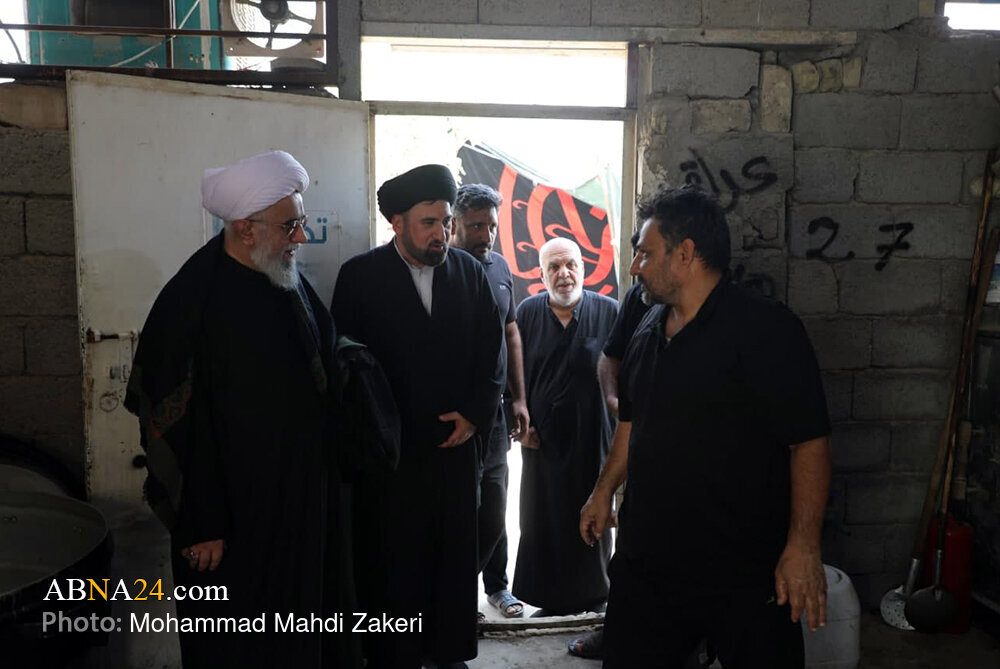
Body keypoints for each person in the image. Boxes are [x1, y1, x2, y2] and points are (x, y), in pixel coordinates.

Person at [579, 186, 832, 669]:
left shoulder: (765, 330)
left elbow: (809, 442)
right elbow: (632, 421)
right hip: (649, 560)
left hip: (742, 567)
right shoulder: (647, 327)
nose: (635, 268)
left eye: (645, 253)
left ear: (686, 254)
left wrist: (803, 547)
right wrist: (603, 489)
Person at [124, 150, 358, 668]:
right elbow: (168, 423)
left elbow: (325, 359)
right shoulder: (191, 302)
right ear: (244, 228)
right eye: (290, 226)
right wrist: (200, 524)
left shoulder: (284, 278)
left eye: (301, 222)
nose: (302, 237)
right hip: (229, 515)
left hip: (298, 499)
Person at [331, 164, 503, 669]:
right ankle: (394, 654)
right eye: (428, 223)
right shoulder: (360, 277)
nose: (440, 234)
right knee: (392, 560)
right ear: (398, 223)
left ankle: (448, 652)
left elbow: (491, 355)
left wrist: (474, 416)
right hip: (389, 454)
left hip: (454, 449)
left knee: (452, 558)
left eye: (445, 222)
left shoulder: (469, 273)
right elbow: (346, 365)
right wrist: (372, 434)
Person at [512, 237, 618, 617]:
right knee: (543, 516)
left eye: (571, 264)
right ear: (541, 275)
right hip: (542, 440)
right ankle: (550, 600)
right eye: (554, 267)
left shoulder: (609, 311)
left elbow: (625, 371)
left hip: (594, 437)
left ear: (583, 268)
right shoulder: (527, 313)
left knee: (593, 513)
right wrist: (519, 420)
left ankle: (594, 596)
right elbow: (513, 373)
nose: (564, 274)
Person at [451, 183, 530, 620]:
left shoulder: (499, 267)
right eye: (476, 225)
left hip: (496, 414)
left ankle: (496, 586)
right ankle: (457, 597)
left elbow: (511, 331)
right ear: (456, 225)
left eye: (492, 226)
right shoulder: (444, 268)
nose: (486, 235)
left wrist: (520, 398)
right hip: (457, 415)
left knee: (496, 509)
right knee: (463, 509)